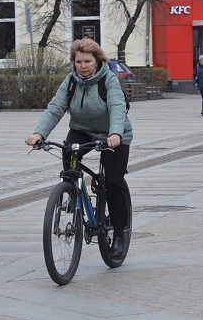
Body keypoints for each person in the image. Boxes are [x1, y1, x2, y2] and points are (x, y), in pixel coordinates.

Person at [24, 38, 133, 257]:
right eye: (78, 61)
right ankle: (73, 193)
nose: (83, 66)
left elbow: (117, 106)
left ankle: (119, 232)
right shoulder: (71, 81)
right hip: (82, 130)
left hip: (114, 134)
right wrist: (39, 133)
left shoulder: (108, 80)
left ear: (97, 61)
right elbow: (55, 108)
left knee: (113, 181)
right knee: (69, 154)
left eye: (87, 61)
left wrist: (115, 133)